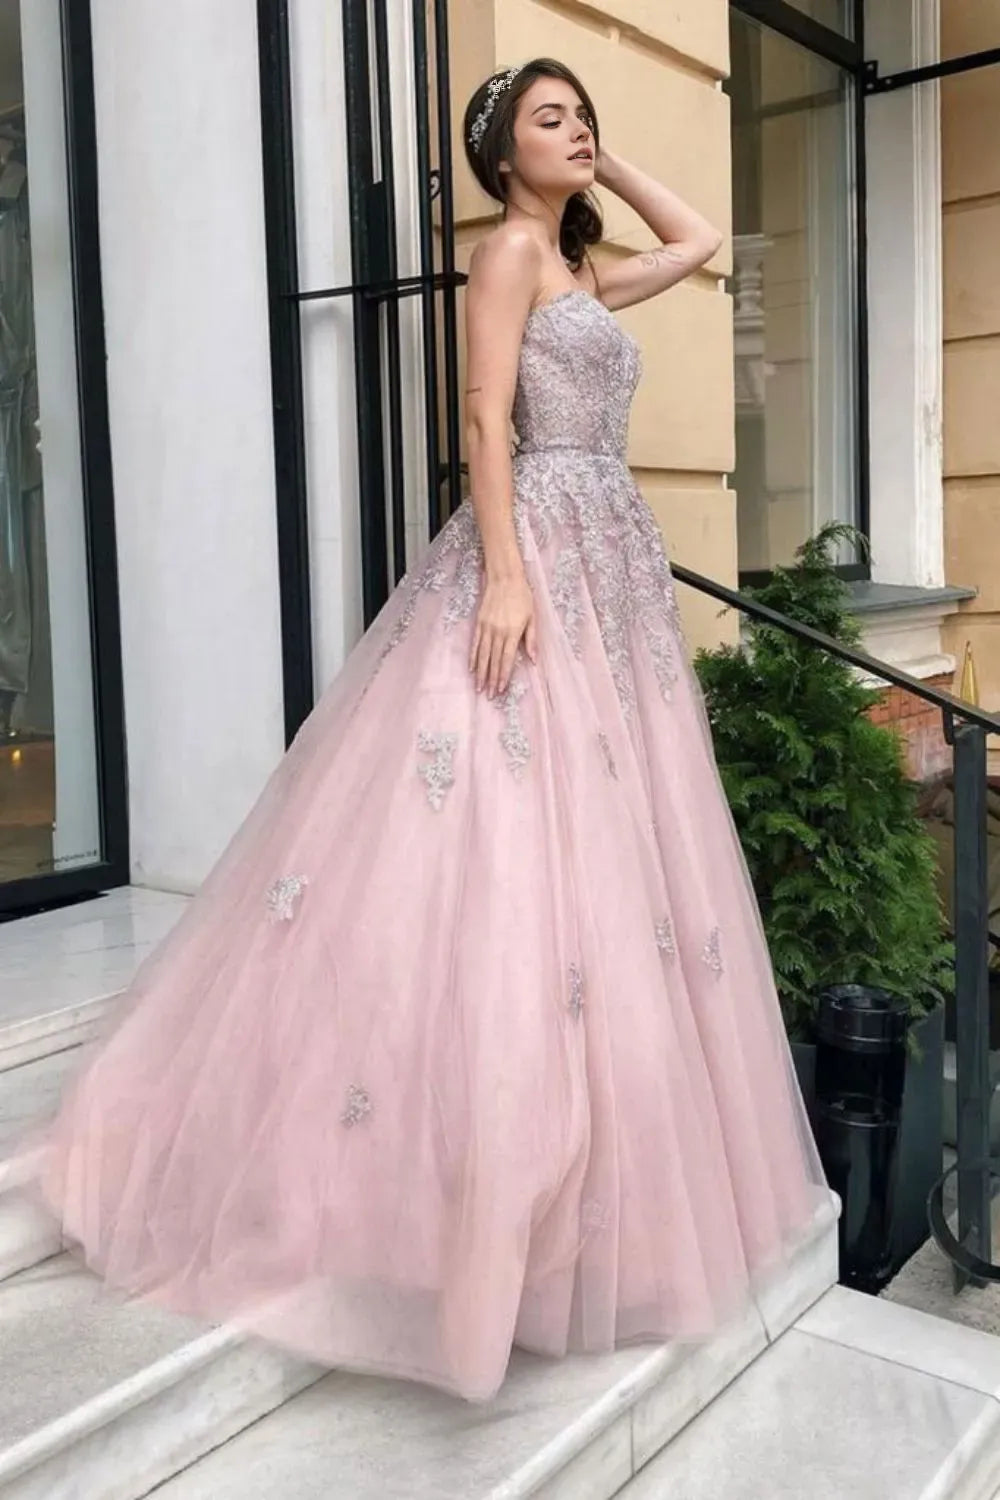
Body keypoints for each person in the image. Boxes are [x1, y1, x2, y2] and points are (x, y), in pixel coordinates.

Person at [27, 57, 828, 1404]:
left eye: (583, 115)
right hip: (541, 547)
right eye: (551, 120)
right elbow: (483, 417)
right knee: (501, 843)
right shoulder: (505, 254)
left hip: (611, 561)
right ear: (501, 154)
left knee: (610, 851)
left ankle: (590, 1198)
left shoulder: (578, 267)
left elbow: (697, 242)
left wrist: (607, 164)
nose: (577, 130)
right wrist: (506, 577)